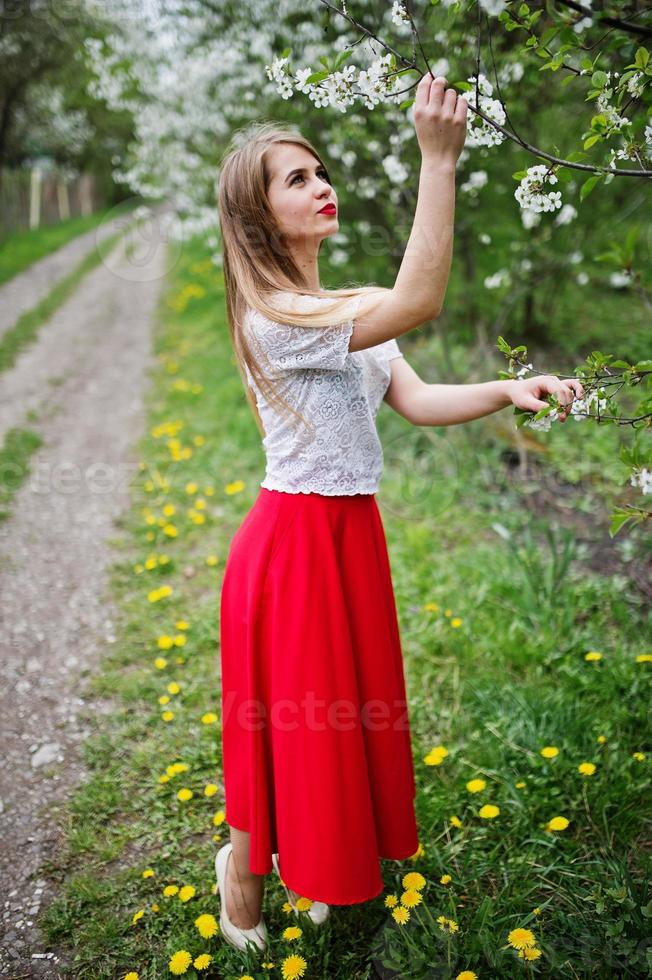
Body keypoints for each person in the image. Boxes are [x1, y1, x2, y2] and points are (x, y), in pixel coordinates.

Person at [214, 73, 584, 952]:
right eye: (295, 180)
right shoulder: (277, 316)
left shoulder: (342, 305)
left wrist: (506, 387)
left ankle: (318, 858)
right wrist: (437, 158)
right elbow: (420, 300)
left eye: (320, 170)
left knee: (339, 715)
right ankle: (242, 868)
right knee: (293, 723)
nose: (321, 185)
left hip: (351, 537)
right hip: (294, 544)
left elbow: (413, 398)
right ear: (260, 216)